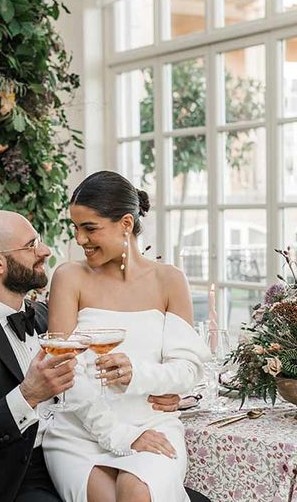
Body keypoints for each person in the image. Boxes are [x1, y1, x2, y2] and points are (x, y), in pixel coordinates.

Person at [0, 209, 181, 502]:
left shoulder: (48, 317)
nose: (45, 251)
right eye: (31, 245)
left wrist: (159, 389)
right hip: (13, 479)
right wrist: (27, 395)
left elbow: (96, 374)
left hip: (80, 448)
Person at [42, 171, 211, 502]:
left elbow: (187, 370)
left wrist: (139, 374)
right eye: (75, 228)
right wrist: (119, 435)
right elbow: (62, 370)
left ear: (126, 224)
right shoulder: (69, 277)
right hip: (81, 430)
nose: (79, 239)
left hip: (152, 424)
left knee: (137, 493)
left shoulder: (170, 280)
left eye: (90, 228)